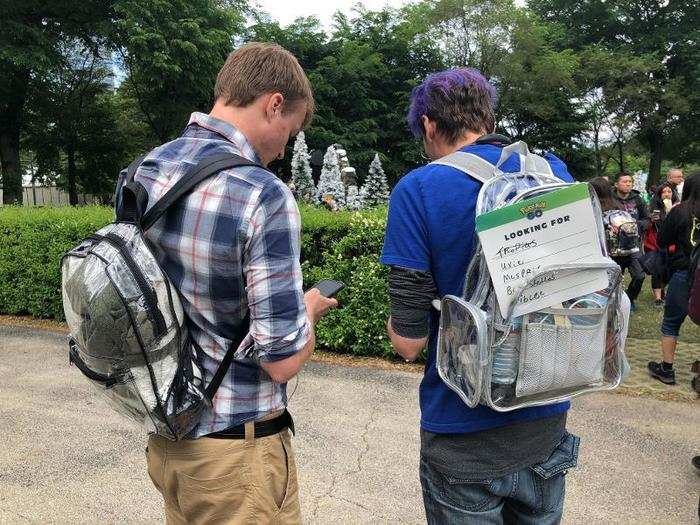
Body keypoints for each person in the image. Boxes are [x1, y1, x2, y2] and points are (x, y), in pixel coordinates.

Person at [115, 42, 337, 524]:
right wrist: (309, 311)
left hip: (170, 441)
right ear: (274, 103)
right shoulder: (262, 194)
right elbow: (281, 361)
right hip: (238, 456)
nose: (283, 149)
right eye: (290, 130)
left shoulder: (143, 173)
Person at [381, 67, 579, 524]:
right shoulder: (553, 173)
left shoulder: (419, 189)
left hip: (462, 433)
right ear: (486, 119)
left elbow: (407, 344)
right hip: (546, 416)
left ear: (429, 124)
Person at [648, 172, 700, 385]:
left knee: (671, 322)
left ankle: (667, 369)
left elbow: (662, 239)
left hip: (683, 271)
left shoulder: (679, 211)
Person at [613, 172, 650, 311]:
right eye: (624, 181)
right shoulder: (610, 199)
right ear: (616, 184)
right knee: (615, 276)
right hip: (616, 246)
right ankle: (615, 302)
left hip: (634, 245)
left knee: (639, 276)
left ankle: (630, 298)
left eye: (630, 182)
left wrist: (636, 225)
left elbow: (647, 219)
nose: (628, 184)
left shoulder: (638, 199)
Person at [645, 183, 678, 306]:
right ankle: (658, 298)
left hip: (672, 245)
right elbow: (649, 225)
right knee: (657, 270)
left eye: (669, 191)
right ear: (659, 194)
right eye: (664, 192)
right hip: (655, 244)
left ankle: (664, 289)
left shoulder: (677, 207)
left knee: (669, 270)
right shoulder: (654, 208)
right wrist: (651, 220)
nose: (667, 194)